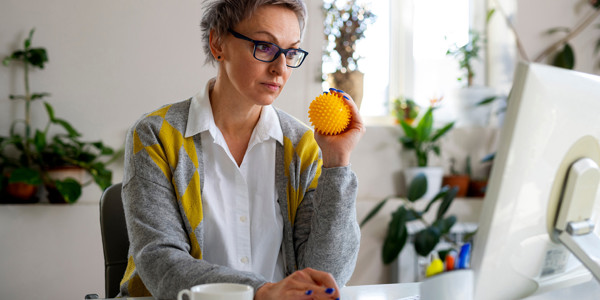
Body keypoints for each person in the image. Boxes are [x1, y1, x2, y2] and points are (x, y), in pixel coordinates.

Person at [119, 0, 365, 299]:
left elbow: (325, 277)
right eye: (264, 46)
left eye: (290, 52)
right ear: (217, 42)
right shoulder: (156, 135)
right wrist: (261, 292)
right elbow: (160, 263)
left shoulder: (302, 145)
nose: (280, 68)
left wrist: (337, 162)